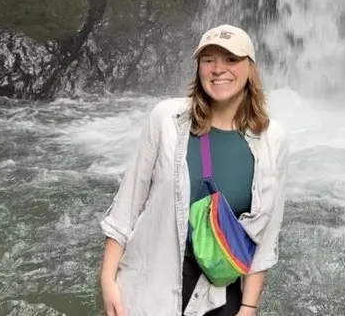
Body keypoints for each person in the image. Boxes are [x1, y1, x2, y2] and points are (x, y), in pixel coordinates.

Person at [98, 24, 290, 316]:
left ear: (249, 69)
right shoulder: (167, 119)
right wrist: (108, 280)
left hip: (220, 291)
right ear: (199, 67)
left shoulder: (272, 138)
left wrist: (248, 306)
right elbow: (128, 204)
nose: (218, 69)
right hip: (152, 284)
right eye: (208, 59)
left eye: (230, 59)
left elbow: (266, 232)